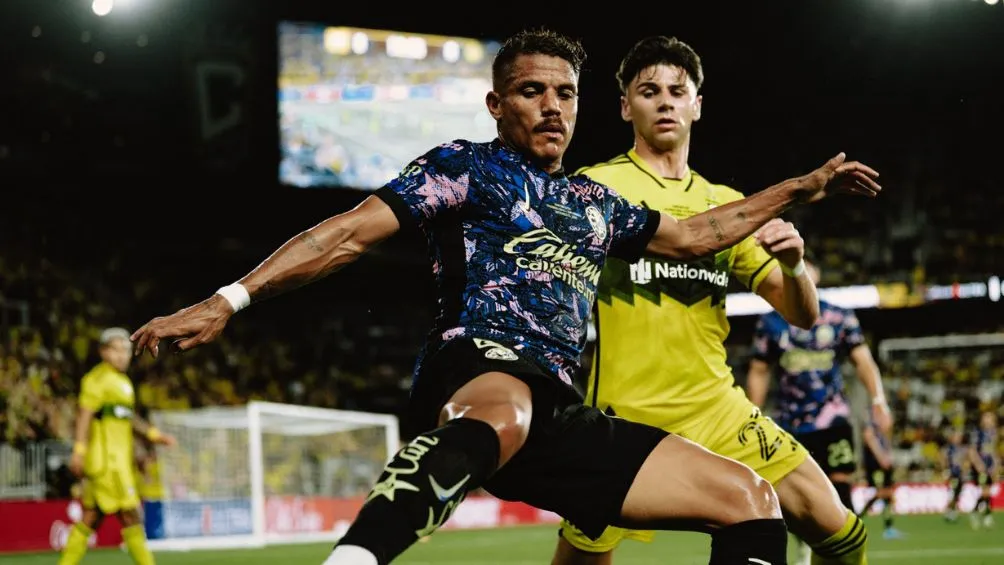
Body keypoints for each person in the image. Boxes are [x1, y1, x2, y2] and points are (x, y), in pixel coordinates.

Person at [131, 29, 880, 565]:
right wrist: (230, 298)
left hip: (559, 412)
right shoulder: (467, 168)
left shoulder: (596, 203)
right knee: (507, 407)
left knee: (749, 497)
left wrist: (800, 189)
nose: (553, 106)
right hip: (477, 366)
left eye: (565, 93)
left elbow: (696, 234)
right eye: (532, 91)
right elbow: (348, 234)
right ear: (496, 103)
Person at [550, 35, 877, 565]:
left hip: (718, 410)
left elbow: (803, 314)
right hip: (623, 417)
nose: (665, 101)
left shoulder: (726, 204)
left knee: (842, 532)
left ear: (697, 105)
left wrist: (795, 265)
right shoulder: (596, 186)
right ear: (624, 106)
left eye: (678, 91)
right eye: (648, 90)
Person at [747, 259, 891, 564]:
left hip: (833, 418)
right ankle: (803, 542)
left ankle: (843, 552)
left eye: (804, 274)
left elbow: (863, 361)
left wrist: (879, 399)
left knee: (840, 483)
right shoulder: (771, 322)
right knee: (792, 492)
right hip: (789, 423)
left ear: (816, 279)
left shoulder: (839, 316)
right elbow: (759, 370)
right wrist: (752, 413)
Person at [59, 328, 176, 565]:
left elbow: (129, 417)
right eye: (116, 350)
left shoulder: (123, 383)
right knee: (130, 515)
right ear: (103, 352)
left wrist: (153, 434)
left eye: (126, 350)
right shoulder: (96, 380)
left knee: (92, 517)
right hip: (107, 464)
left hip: (120, 464)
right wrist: (79, 451)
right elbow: (84, 416)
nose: (123, 355)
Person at [858, 416, 902, 539]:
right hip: (875, 464)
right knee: (882, 493)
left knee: (884, 495)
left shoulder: (878, 423)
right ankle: (858, 517)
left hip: (881, 463)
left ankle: (888, 528)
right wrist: (881, 457)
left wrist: (887, 456)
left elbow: (884, 437)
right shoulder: (869, 421)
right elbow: (869, 438)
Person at [968, 410, 999, 529]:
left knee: (987, 491)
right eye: (987, 417)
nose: (989, 420)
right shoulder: (978, 433)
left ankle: (975, 512)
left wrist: (996, 465)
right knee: (986, 491)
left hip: (990, 466)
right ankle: (987, 517)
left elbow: (993, 451)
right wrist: (978, 465)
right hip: (980, 466)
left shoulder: (993, 433)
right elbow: (972, 450)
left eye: (991, 418)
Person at [940, 427, 966, 523]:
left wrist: (964, 469)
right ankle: (949, 512)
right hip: (952, 475)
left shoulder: (962, 449)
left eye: (959, 437)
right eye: (956, 437)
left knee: (957, 494)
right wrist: (945, 470)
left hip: (959, 475)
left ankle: (952, 511)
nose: (958, 439)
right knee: (953, 494)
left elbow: (964, 462)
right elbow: (943, 458)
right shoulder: (948, 449)